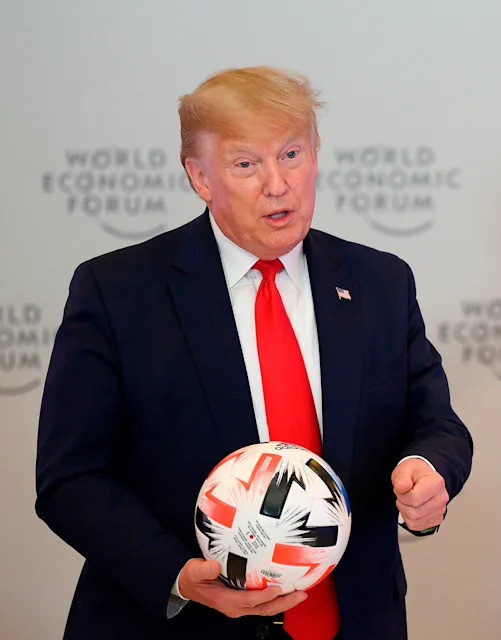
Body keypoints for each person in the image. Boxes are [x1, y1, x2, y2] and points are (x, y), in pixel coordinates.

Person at [35, 66, 473, 640]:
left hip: (354, 621)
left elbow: (436, 423)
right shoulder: (118, 292)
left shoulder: (379, 282)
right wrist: (178, 575)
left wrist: (431, 470)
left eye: (292, 154)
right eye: (246, 164)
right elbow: (71, 479)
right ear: (200, 177)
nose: (277, 184)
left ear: (316, 154)